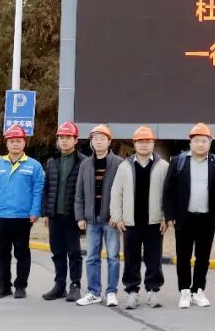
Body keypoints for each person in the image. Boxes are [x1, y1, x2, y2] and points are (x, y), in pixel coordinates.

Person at [162, 123, 215, 309]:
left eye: (204, 141)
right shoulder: (178, 161)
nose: (200, 144)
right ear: (190, 143)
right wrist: (169, 215)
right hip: (184, 217)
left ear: (210, 143)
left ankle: (198, 290)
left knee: (203, 257)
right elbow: (168, 191)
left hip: (207, 218)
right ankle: (184, 291)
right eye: (196, 140)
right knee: (183, 256)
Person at [0, 124, 45, 299]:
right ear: (7, 143)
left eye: (18, 141)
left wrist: (35, 211)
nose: (15, 144)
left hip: (23, 217)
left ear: (24, 143)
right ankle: (4, 286)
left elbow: (38, 191)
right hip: (1, 216)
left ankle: (20, 286)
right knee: (2, 252)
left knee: (22, 252)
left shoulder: (34, 166)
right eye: (12, 141)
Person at [109, 126, 169, 310]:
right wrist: (117, 217)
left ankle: (153, 291)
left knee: (154, 259)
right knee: (131, 259)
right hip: (130, 223)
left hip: (154, 223)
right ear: (134, 144)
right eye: (140, 141)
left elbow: (169, 195)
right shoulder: (124, 166)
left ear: (153, 143)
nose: (144, 145)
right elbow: (116, 193)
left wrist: (166, 217)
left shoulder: (163, 166)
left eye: (147, 141)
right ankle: (132, 292)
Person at [74, 124, 125, 306]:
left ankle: (111, 292)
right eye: (95, 138)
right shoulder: (85, 164)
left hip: (111, 220)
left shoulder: (119, 163)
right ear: (91, 142)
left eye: (103, 138)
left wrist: (118, 216)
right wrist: (80, 217)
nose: (99, 141)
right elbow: (79, 193)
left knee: (113, 257)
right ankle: (94, 292)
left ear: (109, 142)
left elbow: (123, 192)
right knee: (91, 257)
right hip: (91, 220)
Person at [40, 122, 84, 302]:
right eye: (61, 138)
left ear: (75, 140)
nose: (64, 141)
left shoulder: (83, 162)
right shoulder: (52, 162)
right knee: (57, 252)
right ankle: (59, 286)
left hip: (73, 216)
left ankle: (75, 286)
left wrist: (83, 215)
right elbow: (46, 189)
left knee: (74, 252)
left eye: (68, 137)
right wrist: (46, 213)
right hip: (55, 216)